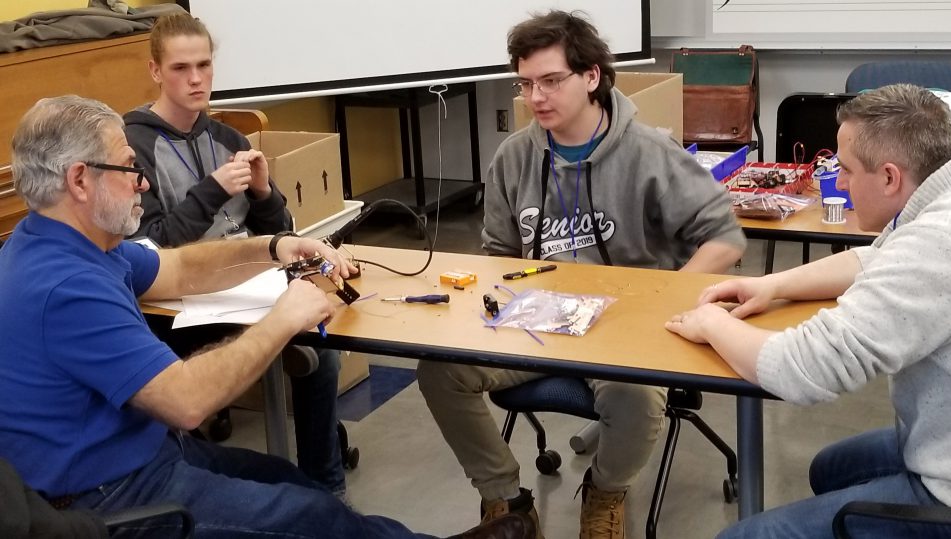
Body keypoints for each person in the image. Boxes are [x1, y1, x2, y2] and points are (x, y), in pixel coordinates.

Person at [0, 94, 536, 539]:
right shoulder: (66, 286)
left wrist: (275, 246)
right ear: (78, 180)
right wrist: (283, 317)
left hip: (138, 457)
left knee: (296, 483)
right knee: (312, 515)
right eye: (129, 169)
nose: (141, 182)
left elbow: (178, 268)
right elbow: (186, 402)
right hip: (110, 496)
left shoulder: (71, 244)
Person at [417, 10, 746, 539]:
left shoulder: (649, 152)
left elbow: (725, 240)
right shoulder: (514, 157)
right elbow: (498, 254)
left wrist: (662, 301)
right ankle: (506, 500)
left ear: (591, 76)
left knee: (635, 396)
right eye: (526, 84)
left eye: (551, 81)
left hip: (625, 327)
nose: (536, 97)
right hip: (538, 322)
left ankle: (606, 490)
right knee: (440, 370)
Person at [666, 83, 951, 539]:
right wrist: (769, 284)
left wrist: (711, 323)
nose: (838, 181)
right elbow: (876, 257)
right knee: (832, 469)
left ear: (890, 177)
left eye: (847, 170)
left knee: (740, 538)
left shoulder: (939, 247)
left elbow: (799, 369)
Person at [123, 13, 347, 497]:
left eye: (204, 64)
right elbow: (150, 246)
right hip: (175, 308)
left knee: (320, 352)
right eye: (181, 67)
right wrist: (210, 191)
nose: (197, 78)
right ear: (156, 71)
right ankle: (205, 482)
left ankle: (322, 486)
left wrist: (265, 192)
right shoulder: (132, 145)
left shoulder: (229, 138)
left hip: (246, 291)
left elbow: (279, 236)